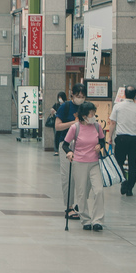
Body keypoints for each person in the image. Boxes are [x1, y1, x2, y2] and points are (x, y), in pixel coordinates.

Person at [63, 101, 107, 231]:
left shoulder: (97, 126)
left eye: (94, 113)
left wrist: (100, 146)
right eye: (91, 114)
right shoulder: (75, 128)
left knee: (98, 190)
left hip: (94, 162)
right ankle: (86, 219)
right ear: (84, 115)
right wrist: (70, 152)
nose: (94, 116)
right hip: (79, 163)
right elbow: (65, 144)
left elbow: (102, 140)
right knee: (82, 193)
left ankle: (97, 220)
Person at [109, 86, 136, 197]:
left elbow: (112, 123)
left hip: (121, 138)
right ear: (135, 95)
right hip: (134, 139)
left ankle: (123, 180)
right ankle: (130, 188)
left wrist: (109, 137)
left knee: (119, 162)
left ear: (124, 94)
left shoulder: (118, 107)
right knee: (132, 164)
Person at [56, 84, 86, 219]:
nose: (80, 99)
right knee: (67, 176)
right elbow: (57, 126)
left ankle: (80, 204)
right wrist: (73, 123)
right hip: (66, 145)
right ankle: (69, 207)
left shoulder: (87, 107)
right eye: (78, 96)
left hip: (84, 145)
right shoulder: (65, 107)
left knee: (82, 177)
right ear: (72, 94)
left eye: (83, 96)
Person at [48, 91, 68, 156]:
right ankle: (56, 150)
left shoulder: (67, 105)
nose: (60, 99)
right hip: (57, 123)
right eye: (59, 97)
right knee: (57, 136)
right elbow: (52, 110)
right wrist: (53, 112)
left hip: (65, 123)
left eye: (61, 97)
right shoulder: (56, 105)